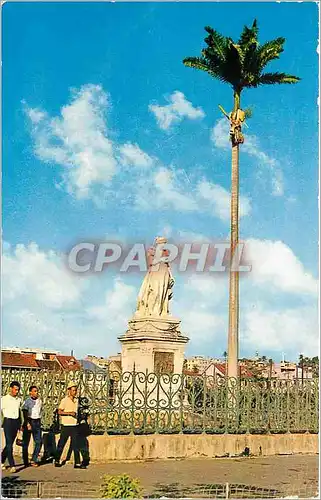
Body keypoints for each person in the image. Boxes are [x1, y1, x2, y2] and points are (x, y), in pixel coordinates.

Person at [54, 383, 84, 469]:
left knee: (75, 444)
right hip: (66, 425)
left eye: (76, 390)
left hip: (74, 425)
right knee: (61, 443)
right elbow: (59, 411)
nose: (75, 392)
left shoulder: (76, 401)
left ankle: (77, 463)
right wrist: (69, 413)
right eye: (73, 390)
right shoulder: (64, 400)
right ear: (69, 391)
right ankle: (57, 460)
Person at [1, 381, 22, 473]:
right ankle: (12, 465)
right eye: (15, 389)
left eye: (18, 390)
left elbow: (19, 412)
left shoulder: (18, 400)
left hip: (15, 422)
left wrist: (20, 424)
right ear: (11, 388)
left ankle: (1, 460)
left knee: (10, 444)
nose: (16, 392)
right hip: (8, 421)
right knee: (9, 444)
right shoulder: (4, 399)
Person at [22, 385, 43, 467]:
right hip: (29, 421)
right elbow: (24, 412)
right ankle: (25, 461)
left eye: (37, 391)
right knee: (25, 442)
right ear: (30, 392)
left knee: (39, 442)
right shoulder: (27, 401)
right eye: (34, 391)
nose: (36, 392)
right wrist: (27, 423)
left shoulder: (40, 401)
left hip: (37, 421)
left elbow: (40, 411)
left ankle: (34, 459)